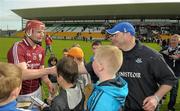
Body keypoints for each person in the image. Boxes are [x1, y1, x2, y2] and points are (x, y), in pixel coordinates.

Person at [78, 22, 177, 111]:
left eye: (115, 35)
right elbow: (84, 68)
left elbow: (170, 79)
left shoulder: (151, 56)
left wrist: (156, 98)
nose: (112, 38)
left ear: (128, 35)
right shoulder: (113, 54)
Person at [7, 20, 55, 111]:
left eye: (43, 32)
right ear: (29, 32)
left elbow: (42, 71)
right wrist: (50, 70)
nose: (42, 35)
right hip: (20, 94)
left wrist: (48, 82)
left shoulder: (40, 49)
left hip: (37, 91)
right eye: (39, 32)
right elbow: (22, 74)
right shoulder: (18, 47)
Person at [87, 45, 128, 111]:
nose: (92, 62)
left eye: (93, 60)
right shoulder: (117, 85)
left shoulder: (102, 102)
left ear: (100, 67)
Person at [160, 34, 180, 111]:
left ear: (179, 41)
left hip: (175, 74)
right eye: (172, 40)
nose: (173, 41)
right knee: (162, 91)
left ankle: (170, 108)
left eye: (175, 40)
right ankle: (157, 104)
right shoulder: (164, 49)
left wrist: (178, 58)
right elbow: (157, 58)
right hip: (165, 74)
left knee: (174, 93)